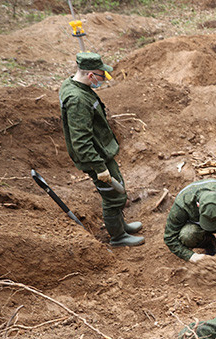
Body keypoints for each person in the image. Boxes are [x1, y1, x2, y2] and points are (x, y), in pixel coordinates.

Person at [59, 52, 143, 247]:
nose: (103, 79)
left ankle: (121, 226)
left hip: (100, 152)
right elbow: (81, 140)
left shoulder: (74, 84)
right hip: (95, 157)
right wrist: (99, 167)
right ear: (90, 75)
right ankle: (118, 237)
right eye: (100, 75)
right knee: (113, 196)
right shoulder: (78, 100)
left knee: (116, 189)